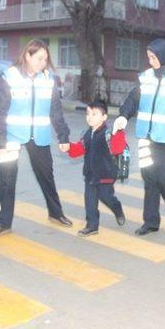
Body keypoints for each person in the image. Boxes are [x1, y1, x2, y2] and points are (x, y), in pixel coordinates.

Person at [0, 39, 73, 238]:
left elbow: (56, 111)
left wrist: (63, 135)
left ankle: (56, 213)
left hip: (39, 135)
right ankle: (4, 223)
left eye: (45, 59)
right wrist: (0, 139)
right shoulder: (9, 77)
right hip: (11, 136)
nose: (42, 63)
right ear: (27, 55)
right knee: (7, 180)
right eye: (39, 58)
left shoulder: (49, 79)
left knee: (46, 176)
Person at [113, 38, 165, 235]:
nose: (150, 61)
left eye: (153, 57)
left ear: (163, 55)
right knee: (149, 177)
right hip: (147, 136)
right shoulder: (145, 77)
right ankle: (151, 222)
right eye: (149, 57)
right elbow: (133, 99)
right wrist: (123, 116)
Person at [66, 100, 127, 236]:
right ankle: (92, 226)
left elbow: (118, 148)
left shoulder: (109, 133)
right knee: (90, 200)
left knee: (106, 197)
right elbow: (79, 150)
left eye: (94, 114)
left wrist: (118, 132)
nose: (90, 117)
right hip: (90, 174)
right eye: (88, 113)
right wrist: (68, 147)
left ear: (104, 117)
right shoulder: (86, 134)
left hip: (105, 174)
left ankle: (117, 209)